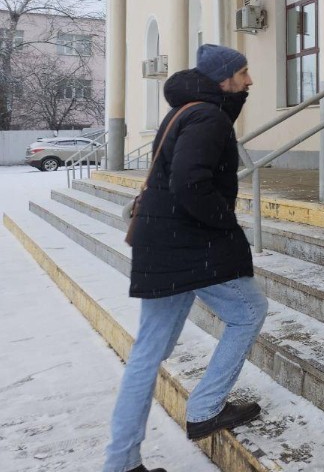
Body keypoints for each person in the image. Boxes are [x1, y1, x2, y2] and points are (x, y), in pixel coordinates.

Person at [102, 44, 269, 472]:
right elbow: (190, 183)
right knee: (250, 309)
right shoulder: (207, 117)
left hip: (166, 244)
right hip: (186, 246)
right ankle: (205, 407)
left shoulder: (189, 111)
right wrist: (225, 224)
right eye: (243, 73)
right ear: (224, 79)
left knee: (147, 352)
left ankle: (121, 462)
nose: (249, 82)